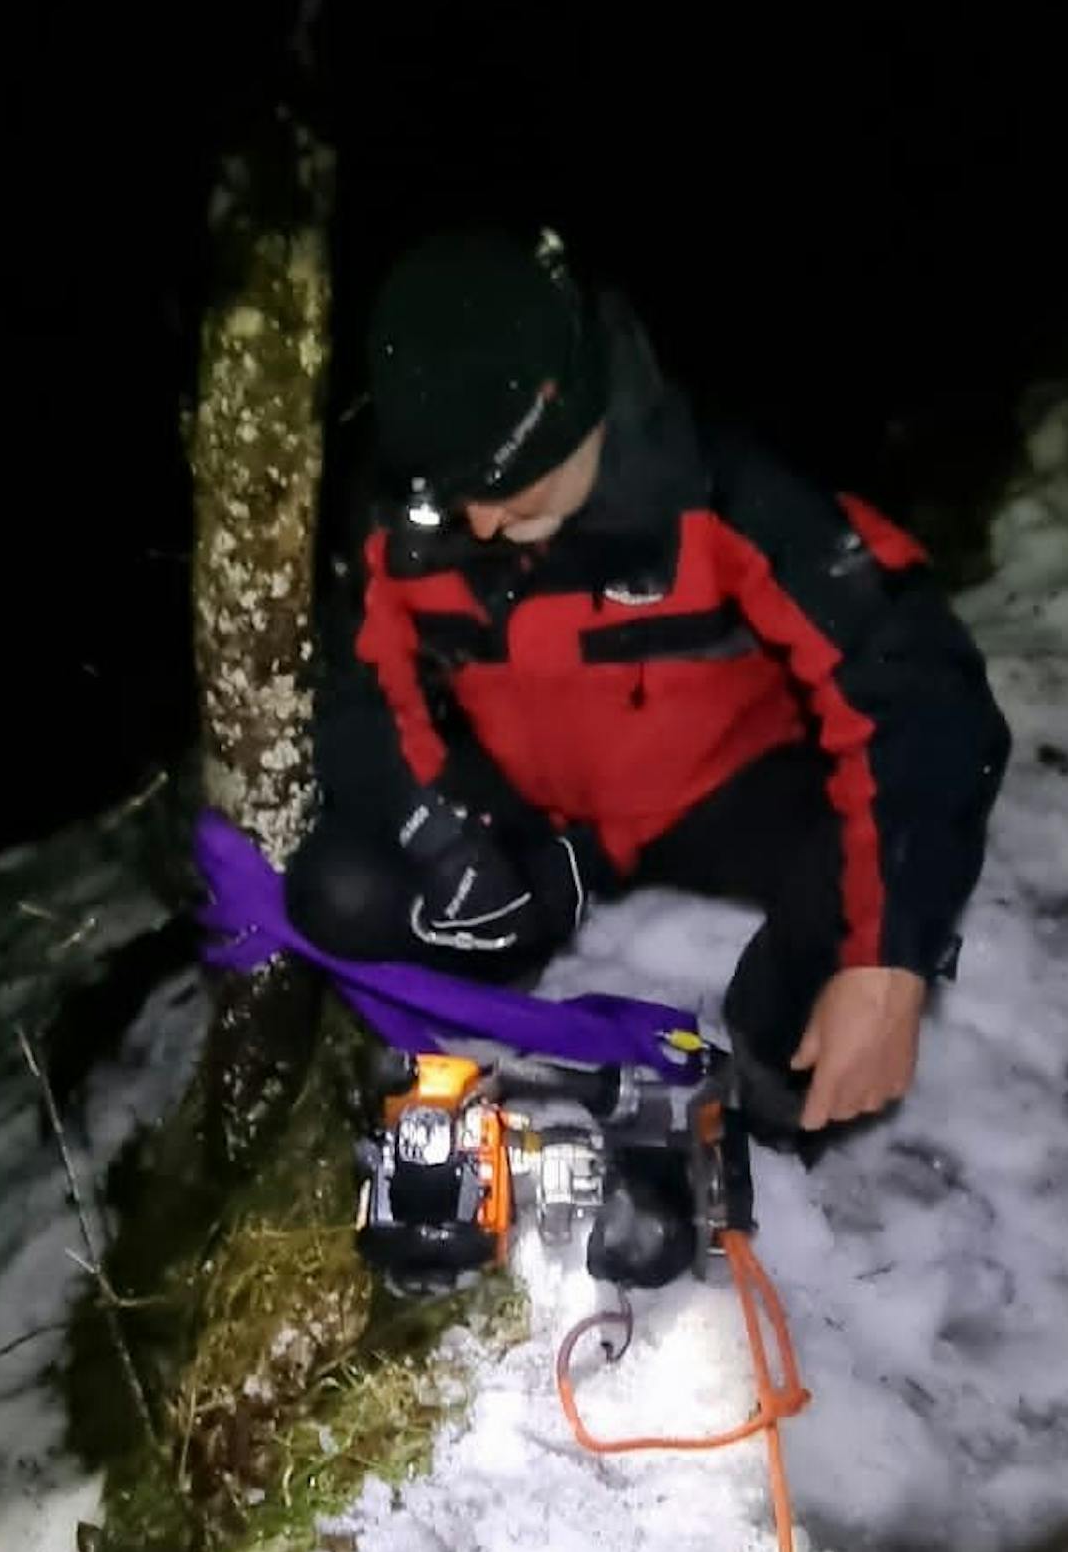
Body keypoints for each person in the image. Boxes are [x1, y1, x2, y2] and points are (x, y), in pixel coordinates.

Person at [289, 230, 1010, 1145]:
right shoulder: (409, 517)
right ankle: (503, 974)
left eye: (507, 482)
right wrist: (433, 836)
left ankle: (778, 1107)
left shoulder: (723, 486)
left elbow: (921, 685)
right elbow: (353, 688)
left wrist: (888, 962)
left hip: (724, 794)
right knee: (345, 893)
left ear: (573, 413)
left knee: (875, 875)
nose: (479, 519)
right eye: (451, 491)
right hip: (537, 813)